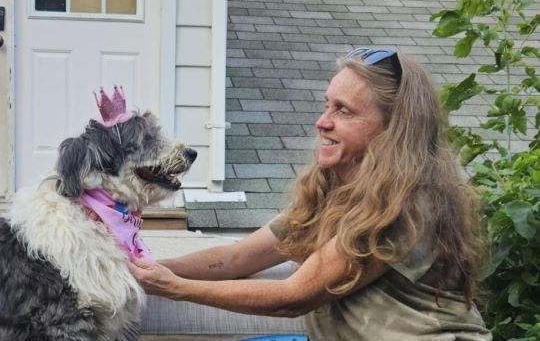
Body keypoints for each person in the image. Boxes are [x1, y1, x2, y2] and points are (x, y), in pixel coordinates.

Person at [129, 47, 492, 340]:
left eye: (343, 111)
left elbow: (293, 298)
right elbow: (237, 258)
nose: (322, 121)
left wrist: (174, 287)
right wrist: (141, 270)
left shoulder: (407, 204)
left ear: (393, 130)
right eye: (327, 104)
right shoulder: (337, 190)